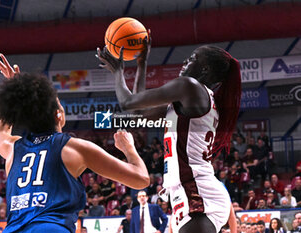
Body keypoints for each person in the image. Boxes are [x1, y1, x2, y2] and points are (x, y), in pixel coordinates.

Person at [97, 31, 241, 233]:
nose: (185, 61)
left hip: (197, 193)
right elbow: (138, 111)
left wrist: (118, 72)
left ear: (205, 69)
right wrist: (141, 63)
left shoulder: (189, 87)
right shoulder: (189, 101)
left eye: (192, 59)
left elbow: (127, 103)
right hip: (190, 192)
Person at [0, 54, 149, 233]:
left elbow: (0, 134)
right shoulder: (73, 147)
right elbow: (141, 179)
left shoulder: (13, 150)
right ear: (58, 115)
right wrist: (129, 148)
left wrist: (17, 95)